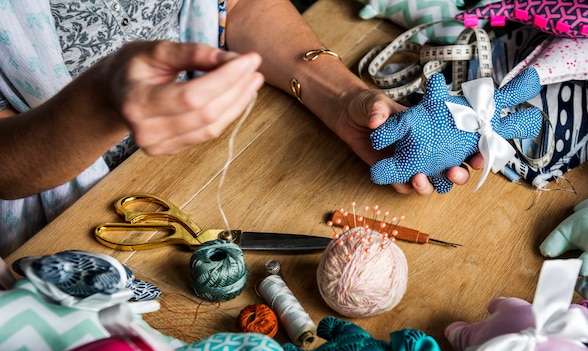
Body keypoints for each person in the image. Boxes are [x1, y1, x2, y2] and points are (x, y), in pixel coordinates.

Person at [0, 0, 480, 258]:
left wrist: (342, 100)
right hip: (51, 221)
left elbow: (240, 6)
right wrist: (104, 104)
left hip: (202, 156)